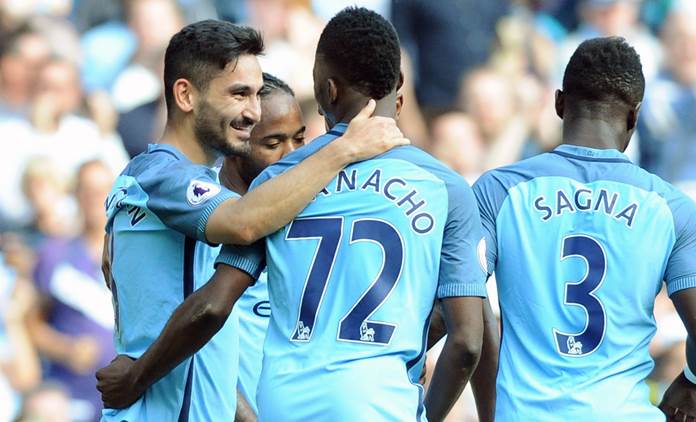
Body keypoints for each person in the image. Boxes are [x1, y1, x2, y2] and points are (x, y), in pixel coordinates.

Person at [99, 8, 485, 422]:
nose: (253, 112)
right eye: (238, 94)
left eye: (254, 93)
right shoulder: (159, 174)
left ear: (326, 93)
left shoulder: (227, 187)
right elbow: (240, 227)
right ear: (186, 95)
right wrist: (343, 149)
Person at [472, 37, 696, 421]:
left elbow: (464, 311)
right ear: (634, 117)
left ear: (559, 103)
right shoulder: (671, 207)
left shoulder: (499, 190)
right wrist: (693, 381)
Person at [218, 72, 306, 419]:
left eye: (300, 140)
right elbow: (194, 346)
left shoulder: (318, 209)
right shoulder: (200, 217)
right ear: (236, 145)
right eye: (274, 144)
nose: (293, 155)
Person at [28, 160, 116, 421]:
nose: (94, 199)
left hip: (122, 397)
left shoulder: (133, 256)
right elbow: (31, 322)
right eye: (87, 190)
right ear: (76, 194)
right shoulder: (53, 253)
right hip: (69, 398)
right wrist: (65, 348)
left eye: (101, 191)